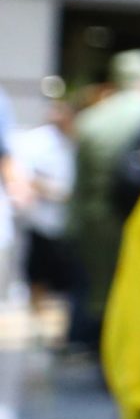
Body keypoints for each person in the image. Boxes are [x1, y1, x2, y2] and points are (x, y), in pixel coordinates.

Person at [70, 48, 140, 351]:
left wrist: (72, 226)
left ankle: (105, 355)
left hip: (98, 221)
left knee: (102, 293)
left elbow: (79, 185)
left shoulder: (91, 119)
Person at [12, 96, 80, 338]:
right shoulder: (37, 140)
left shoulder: (78, 140)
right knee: (37, 276)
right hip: (41, 221)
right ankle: (39, 328)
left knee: (66, 281)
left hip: (71, 225)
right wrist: (49, 189)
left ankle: (58, 331)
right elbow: (22, 174)